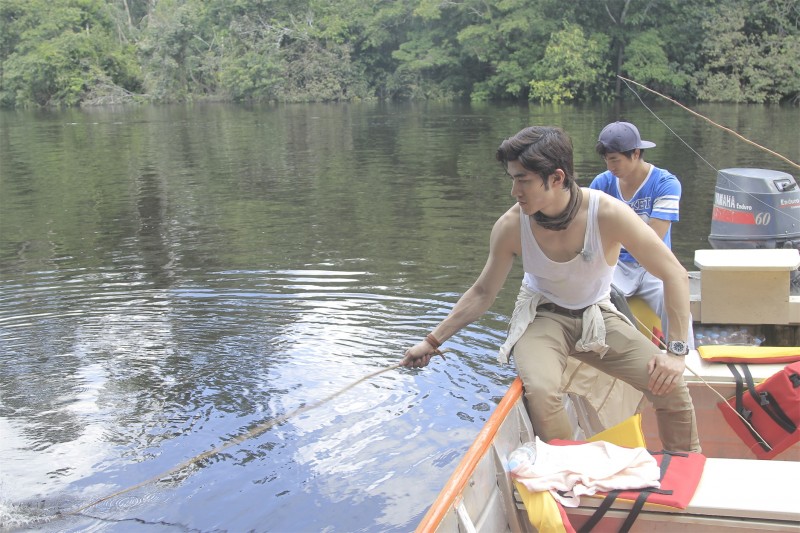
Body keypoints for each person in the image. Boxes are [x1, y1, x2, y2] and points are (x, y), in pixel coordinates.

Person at [401, 126, 699, 453]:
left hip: (597, 317)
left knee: (671, 387)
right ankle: (569, 473)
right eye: (512, 179)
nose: (515, 191)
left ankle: (684, 469)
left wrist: (676, 352)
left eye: (523, 180)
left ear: (556, 178)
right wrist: (431, 341)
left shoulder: (608, 214)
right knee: (542, 393)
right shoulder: (511, 226)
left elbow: (674, 274)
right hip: (542, 318)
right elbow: (483, 293)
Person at [590, 121, 692, 348]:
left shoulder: (666, 183)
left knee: (674, 299)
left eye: (615, 159)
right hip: (615, 262)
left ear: (635, 154)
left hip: (650, 264)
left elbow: (652, 239)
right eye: (606, 159)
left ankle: (685, 356)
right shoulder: (602, 183)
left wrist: (614, 234)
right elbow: (589, 231)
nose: (609, 166)